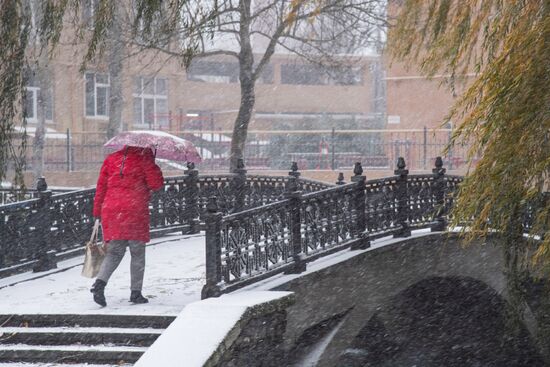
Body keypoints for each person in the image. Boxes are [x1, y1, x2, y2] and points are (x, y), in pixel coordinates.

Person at [91, 146, 164, 307]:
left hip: (111, 209)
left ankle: (99, 284)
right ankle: (136, 293)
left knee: (114, 252)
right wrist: (153, 164)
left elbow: (101, 187)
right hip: (134, 209)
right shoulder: (144, 157)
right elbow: (156, 184)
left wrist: (97, 211)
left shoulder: (111, 158)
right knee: (137, 253)